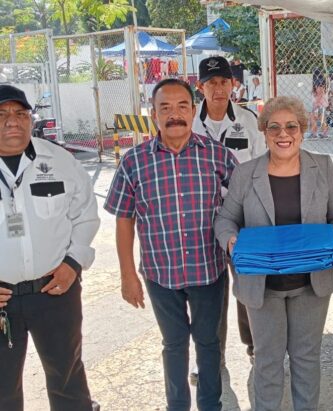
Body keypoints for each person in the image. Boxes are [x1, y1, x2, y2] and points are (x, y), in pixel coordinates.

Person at [214, 96, 333, 411]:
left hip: (311, 284)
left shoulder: (323, 166)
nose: (283, 134)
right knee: (267, 361)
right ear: (264, 132)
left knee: (306, 359)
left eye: (291, 126)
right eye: (274, 127)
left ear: (302, 130)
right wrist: (231, 240)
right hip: (263, 286)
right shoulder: (245, 173)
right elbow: (225, 219)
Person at [104, 78, 236, 411]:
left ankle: (210, 405)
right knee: (174, 344)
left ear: (193, 111)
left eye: (181, 107)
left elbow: (242, 204)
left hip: (209, 271)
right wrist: (127, 275)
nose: (174, 115)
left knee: (208, 344)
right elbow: (124, 220)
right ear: (153, 114)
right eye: (165, 108)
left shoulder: (218, 156)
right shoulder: (134, 162)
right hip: (160, 275)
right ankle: (177, 406)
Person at [0, 85, 100, 410]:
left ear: (31, 119)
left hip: (55, 290)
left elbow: (86, 215)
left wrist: (74, 263)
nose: (12, 121)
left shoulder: (59, 160)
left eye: (20, 113)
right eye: (1, 114)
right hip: (2, 300)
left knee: (68, 380)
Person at [193, 56, 265, 372]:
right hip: (199, 215)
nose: (218, 89)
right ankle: (211, 356)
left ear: (233, 84)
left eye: (224, 82)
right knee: (208, 291)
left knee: (247, 282)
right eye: (211, 83)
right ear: (200, 87)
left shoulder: (248, 121)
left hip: (242, 216)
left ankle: (255, 347)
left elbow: (263, 167)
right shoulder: (189, 123)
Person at [310, 69, 329, 139]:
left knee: (314, 119)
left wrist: (316, 106)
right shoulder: (322, 82)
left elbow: (320, 95)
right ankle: (324, 134)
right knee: (322, 120)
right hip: (321, 105)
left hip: (318, 105)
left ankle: (314, 134)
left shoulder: (318, 82)